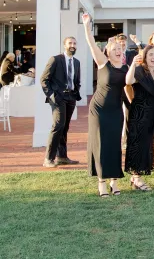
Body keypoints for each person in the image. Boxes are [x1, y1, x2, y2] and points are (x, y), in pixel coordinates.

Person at [82, 13, 128, 197]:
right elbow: (91, 43)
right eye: (114, 48)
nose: (118, 50)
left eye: (120, 48)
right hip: (99, 110)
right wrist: (87, 25)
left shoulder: (125, 68)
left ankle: (114, 181)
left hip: (116, 110)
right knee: (101, 144)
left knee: (115, 144)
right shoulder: (103, 63)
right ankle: (101, 182)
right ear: (107, 51)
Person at [125, 45, 154, 191]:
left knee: (147, 145)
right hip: (140, 114)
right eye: (151, 55)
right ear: (145, 57)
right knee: (138, 145)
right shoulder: (139, 70)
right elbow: (128, 82)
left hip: (153, 114)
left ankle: (135, 177)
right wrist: (132, 66)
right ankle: (137, 178)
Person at [40, 37, 82, 168]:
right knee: (58, 125)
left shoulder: (76, 62)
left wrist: (76, 92)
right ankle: (48, 158)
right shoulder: (56, 59)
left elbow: (76, 81)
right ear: (64, 45)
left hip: (71, 97)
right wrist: (52, 95)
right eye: (70, 43)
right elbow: (44, 79)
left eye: (74, 43)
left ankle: (62, 157)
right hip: (58, 97)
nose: (72, 45)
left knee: (65, 127)